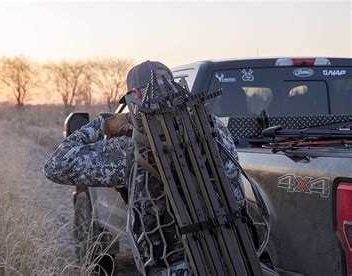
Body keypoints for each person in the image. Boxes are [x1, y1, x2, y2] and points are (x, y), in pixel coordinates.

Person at [43, 61, 245, 275]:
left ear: (136, 95)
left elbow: (55, 165)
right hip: (231, 258)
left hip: (173, 268)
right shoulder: (214, 130)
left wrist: (103, 123)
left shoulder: (131, 147)